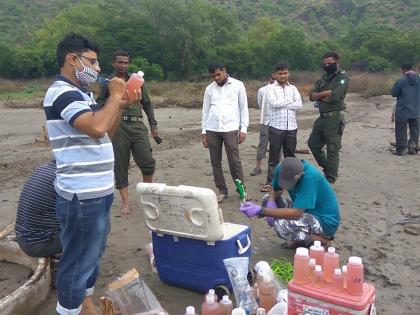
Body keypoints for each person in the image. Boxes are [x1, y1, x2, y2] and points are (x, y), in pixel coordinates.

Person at [43, 33, 139, 315]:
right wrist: (116, 95)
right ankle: (69, 310)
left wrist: (118, 105)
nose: (98, 69)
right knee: (76, 262)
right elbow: (97, 127)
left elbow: (105, 133)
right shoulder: (62, 92)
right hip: (81, 195)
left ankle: (85, 305)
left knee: (91, 256)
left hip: (97, 191)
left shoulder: (82, 94)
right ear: (73, 59)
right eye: (93, 62)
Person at [97, 50, 158, 214]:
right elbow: (100, 103)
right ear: (113, 63)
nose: (123, 65)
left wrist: (153, 125)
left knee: (148, 162)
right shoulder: (107, 82)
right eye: (120, 62)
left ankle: (148, 198)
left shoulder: (137, 81)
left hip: (138, 125)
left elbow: (147, 104)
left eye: (126, 62)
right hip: (119, 126)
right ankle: (125, 203)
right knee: (120, 164)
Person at [239, 157, 340, 248]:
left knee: (281, 226)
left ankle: (323, 240)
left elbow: (296, 213)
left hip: (325, 220)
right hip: (305, 210)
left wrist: (262, 211)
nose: (286, 186)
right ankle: (301, 238)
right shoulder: (281, 167)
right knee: (266, 199)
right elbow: (276, 189)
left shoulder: (310, 177)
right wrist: (270, 204)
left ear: (300, 175)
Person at [201, 62, 249, 202]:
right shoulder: (209, 89)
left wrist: (243, 129)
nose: (216, 78)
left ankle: (242, 190)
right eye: (213, 76)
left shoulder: (238, 85)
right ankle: (222, 190)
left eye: (218, 74)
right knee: (215, 162)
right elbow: (205, 111)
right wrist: (204, 132)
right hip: (212, 129)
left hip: (231, 128)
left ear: (224, 71)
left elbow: (243, 108)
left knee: (234, 161)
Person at [260, 62, 302, 193]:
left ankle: (291, 181)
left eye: (285, 73)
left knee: (290, 156)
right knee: (274, 156)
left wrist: (284, 104)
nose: (283, 76)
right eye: (280, 73)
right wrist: (290, 102)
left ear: (288, 73)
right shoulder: (270, 89)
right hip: (276, 127)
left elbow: (299, 105)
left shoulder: (293, 88)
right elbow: (273, 104)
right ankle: (271, 181)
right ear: (275, 74)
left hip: (291, 127)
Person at [308, 52, 349, 184]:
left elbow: (335, 97)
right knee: (313, 144)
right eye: (325, 63)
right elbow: (311, 95)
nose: (327, 65)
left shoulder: (342, 78)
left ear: (337, 62)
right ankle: (328, 167)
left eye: (329, 63)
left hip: (334, 117)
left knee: (333, 148)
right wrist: (325, 93)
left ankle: (331, 177)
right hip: (322, 117)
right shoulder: (324, 77)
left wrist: (321, 95)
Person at [15, 161, 61, 258]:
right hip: (36, 244)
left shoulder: (43, 168)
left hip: (22, 236)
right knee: (91, 232)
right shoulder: (64, 179)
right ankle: (76, 270)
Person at [390, 63, 420, 155]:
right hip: (416, 110)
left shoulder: (401, 81)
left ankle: (401, 149)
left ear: (403, 70)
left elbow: (394, 93)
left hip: (403, 110)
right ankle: (413, 148)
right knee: (415, 130)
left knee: (401, 130)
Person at [250, 72, 276, 176]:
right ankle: (258, 167)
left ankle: (276, 168)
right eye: (272, 79)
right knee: (262, 144)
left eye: (275, 79)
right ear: (269, 78)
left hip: (278, 122)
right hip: (265, 121)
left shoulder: (282, 90)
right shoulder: (262, 90)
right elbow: (261, 104)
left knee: (277, 145)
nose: (274, 81)